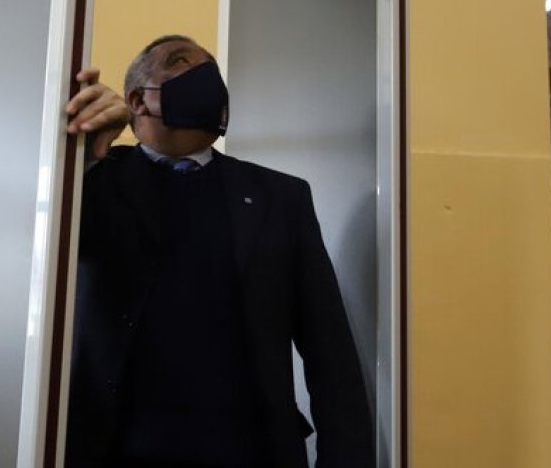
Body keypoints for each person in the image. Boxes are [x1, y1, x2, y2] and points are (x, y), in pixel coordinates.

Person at [62, 35, 373, 468]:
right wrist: (80, 157)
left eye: (210, 67)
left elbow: (329, 350)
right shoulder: (92, 183)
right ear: (137, 100)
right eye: (180, 61)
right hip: (117, 449)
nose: (205, 76)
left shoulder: (281, 198)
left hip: (251, 453)